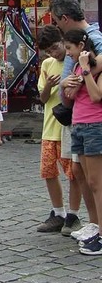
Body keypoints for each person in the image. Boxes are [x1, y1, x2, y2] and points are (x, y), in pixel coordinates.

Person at [50, 0, 102, 244]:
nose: (57, 27)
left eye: (57, 22)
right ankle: (93, 223)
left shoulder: (93, 37)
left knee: (94, 178)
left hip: (91, 117)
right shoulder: (78, 40)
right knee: (80, 173)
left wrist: (80, 76)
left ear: (65, 18)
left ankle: (98, 227)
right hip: (76, 116)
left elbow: (99, 61)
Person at [34, 25, 82, 235]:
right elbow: (43, 99)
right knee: (48, 171)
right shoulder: (47, 64)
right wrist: (50, 87)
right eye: (49, 51)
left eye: (55, 47)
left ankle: (73, 214)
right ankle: (58, 212)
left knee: (73, 173)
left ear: (63, 41)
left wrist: (64, 84)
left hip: (67, 127)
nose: (54, 53)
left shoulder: (73, 62)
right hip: (49, 127)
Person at [61, 29, 102, 255]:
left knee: (97, 182)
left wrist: (86, 70)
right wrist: (67, 82)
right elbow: (70, 95)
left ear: (81, 46)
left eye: (70, 48)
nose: (68, 54)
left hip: (95, 125)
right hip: (78, 124)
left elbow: (96, 96)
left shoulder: (94, 66)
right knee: (85, 178)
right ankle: (95, 225)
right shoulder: (77, 67)